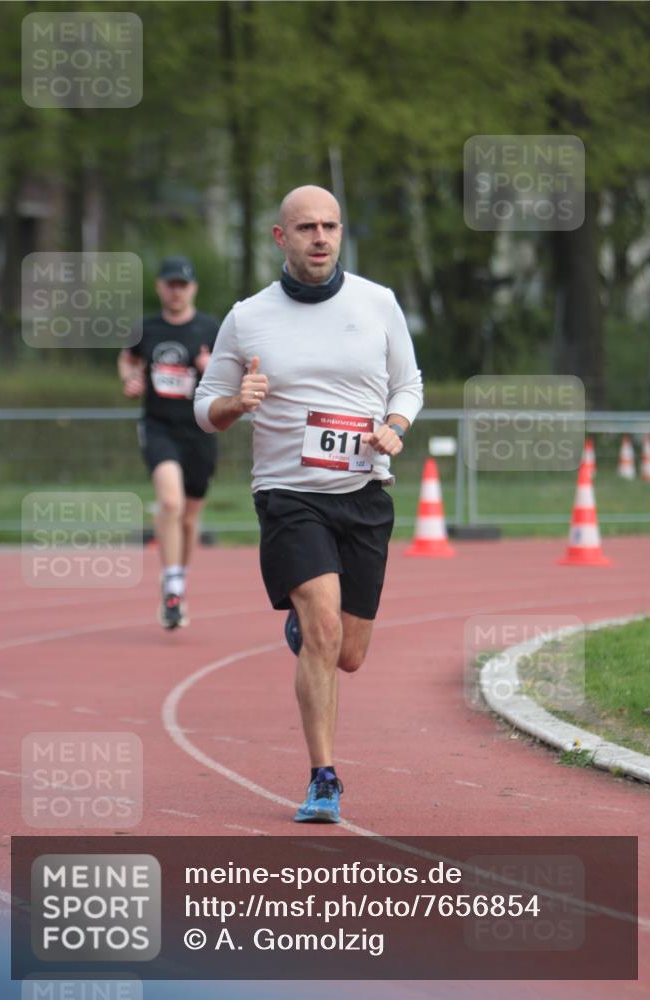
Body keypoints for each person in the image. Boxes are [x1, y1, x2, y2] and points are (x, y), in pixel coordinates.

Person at [194, 186, 423, 822]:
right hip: (289, 494)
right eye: (305, 228)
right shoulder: (248, 317)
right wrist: (237, 403)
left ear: (341, 232)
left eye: (329, 226)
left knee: (348, 653)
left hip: (364, 490)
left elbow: (409, 383)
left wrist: (395, 427)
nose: (319, 238)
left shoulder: (377, 302)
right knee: (323, 627)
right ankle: (323, 778)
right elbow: (204, 408)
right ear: (280, 237)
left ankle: (306, 630)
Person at [118, 256, 219, 629]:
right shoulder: (146, 329)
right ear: (160, 287)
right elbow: (127, 361)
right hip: (159, 427)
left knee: (190, 518)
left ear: (192, 288)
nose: (176, 291)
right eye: (170, 284)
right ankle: (173, 589)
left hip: (199, 431)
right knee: (171, 502)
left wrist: (213, 370)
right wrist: (130, 380)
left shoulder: (210, 327)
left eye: (183, 284)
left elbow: (231, 375)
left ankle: (177, 577)